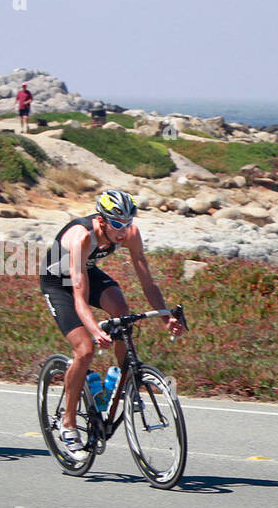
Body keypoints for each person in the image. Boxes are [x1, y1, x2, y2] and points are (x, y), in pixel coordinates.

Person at [40, 190, 185, 459]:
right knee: (84, 350)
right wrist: (95, 331)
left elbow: (147, 283)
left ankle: (122, 380)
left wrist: (166, 317)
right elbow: (79, 297)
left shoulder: (130, 233)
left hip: (88, 271)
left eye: (128, 223)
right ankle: (68, 423)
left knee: (122, 312)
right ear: (102, 220)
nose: (123, 230)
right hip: (58, 282)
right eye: (117, 224)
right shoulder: (82, 237)